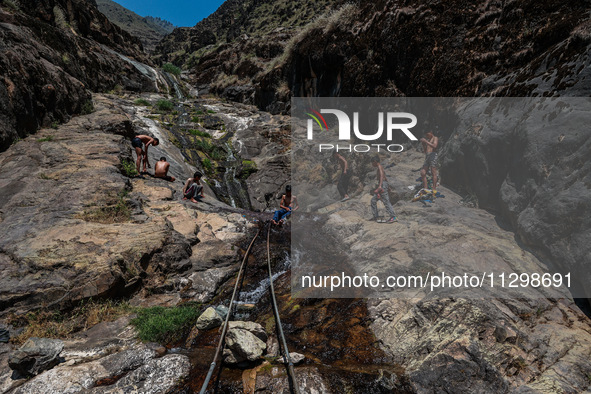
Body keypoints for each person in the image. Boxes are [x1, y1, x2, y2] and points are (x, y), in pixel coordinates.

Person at [370, 155, 397, 223]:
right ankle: (376, 216)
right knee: (373, 200)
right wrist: (388, 186)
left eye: (372, 163)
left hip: (382, 185)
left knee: (386, 201)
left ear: (375, 162)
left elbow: (382, 176)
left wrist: (380, 186)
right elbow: (385, 176)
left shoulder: (379, 167)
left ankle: (393, 217)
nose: (372, 164)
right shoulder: (380, 167)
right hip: (383, 184)